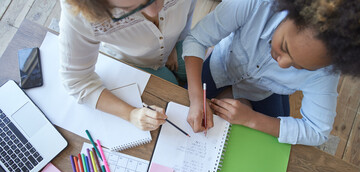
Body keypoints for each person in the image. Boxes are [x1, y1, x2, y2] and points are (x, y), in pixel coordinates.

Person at [183, 0, 360, 146]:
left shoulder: (325, 71)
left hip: (264, 91)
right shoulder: (256, 4)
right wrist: (197, 98)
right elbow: (197, 39)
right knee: (183, 106)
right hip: (220, 67)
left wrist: (251, 119)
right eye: (284, 47)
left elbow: (317, 131)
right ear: (291, 12)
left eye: (300, 67)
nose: (282, 64)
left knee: (266, 145)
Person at [59, 0, 196, 131]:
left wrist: (176, 41)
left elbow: (188, 10)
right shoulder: (80, 14)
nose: (155, 11)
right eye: (128, 9)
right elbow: (77, 81)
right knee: (170, 89)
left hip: (174, 45)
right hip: (135, 62)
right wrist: (131, 114)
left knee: (191, 71)